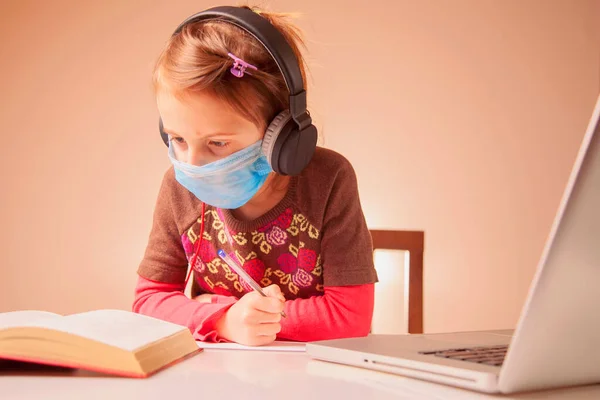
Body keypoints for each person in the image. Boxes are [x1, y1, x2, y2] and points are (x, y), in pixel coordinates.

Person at [133, 4, 378, 346]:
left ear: (281, 136)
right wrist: (225, 322)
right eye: (178, 139)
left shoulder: (330, 180)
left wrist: (229, 312)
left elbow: (350, 317)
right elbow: (147, 302)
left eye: (217, 142)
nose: (194, 163)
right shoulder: (178, 188)